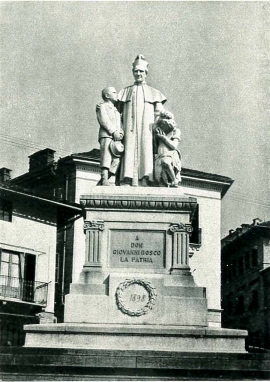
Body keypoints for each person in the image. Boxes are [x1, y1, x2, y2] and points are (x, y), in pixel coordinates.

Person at [118, 54, 167, 186]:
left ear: (146, 73)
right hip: (130, 126)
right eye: (136, 71)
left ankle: (146, 178)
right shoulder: (125, 92)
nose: (138, 74)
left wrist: (162, 119)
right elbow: (118, 112)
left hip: (147, 127)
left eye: (141, 71)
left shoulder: (154, 92)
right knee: (129, 148)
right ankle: (127, 178)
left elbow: (159, 112)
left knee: (146, 149)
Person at [96, 87, 124, 186]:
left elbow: (120, 124)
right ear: (107, 95)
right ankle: (104, 178)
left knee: (117, 159)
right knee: (106, 156)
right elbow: (104, 120)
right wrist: (113, 132)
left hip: (116, 138)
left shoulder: (116, 110)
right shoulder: (102, 107)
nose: (116, 94)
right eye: (114, 92)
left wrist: (121, 133)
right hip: (107, 135)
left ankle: (105, 179)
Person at [153, 111, 182, 187]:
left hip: (170, 154)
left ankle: (174, 180)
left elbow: (174, 145)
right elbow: (155, 147)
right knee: (161, 181)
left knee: (165, 162)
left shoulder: (176, 131)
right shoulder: (159, 130)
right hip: (160, 155)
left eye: (167, 118)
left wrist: (163, 137)